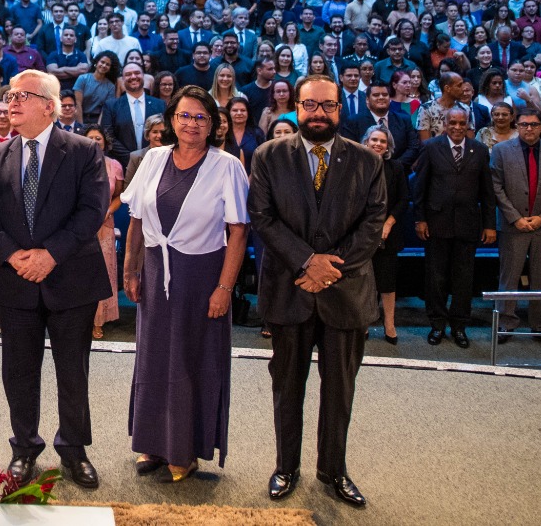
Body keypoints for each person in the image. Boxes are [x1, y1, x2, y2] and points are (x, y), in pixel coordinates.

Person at [248, 74, 386, 509]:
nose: (319, 113)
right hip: (290, 290)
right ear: (297, 108)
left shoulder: (367, 161)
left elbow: (372, 224)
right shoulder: (269, 156)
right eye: (310, 106)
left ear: (340, 110)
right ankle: (285, 467)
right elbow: (263, 218)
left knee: (340, 390)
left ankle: (334, 470)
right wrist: (309, 263)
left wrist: (328, 269)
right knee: (287, 388)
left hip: (346, 294)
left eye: (328, 106)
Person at [0, 65, 110, 490]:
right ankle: (24, 449)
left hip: (70, 279)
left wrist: (50, 256)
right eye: (10, 96)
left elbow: (92, 212)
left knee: (73, 371)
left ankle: (74, 449)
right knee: (18, 371)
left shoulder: (84, 151)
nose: (10, 103)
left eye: (21, 96)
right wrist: (15, 256)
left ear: (49, 108)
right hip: (16, 281)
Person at [121, 85, 250, 482]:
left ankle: (186, 450)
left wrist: (224, 288)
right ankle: (153, 443)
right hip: (157, 273)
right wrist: (130, 269)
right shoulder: (153, 158)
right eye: (184, 116)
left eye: (201, 117)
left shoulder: (227, 165)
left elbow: (239, 231)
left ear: (213, 125)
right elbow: (137, 220)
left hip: (202, 277)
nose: (192, 123)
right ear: (171, 120)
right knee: (154, 357)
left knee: (193, 362)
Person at [488, 106, 541, 349]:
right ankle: (505, 323)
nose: (529, 129)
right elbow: (496, 187)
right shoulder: (502, 151)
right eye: (524, 124)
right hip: (513, 225)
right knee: (509, 276)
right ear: (517, 126)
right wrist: (515, 217)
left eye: (534, 124)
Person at [412, 107, 495, 348]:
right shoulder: (431, 147)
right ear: (445, 124)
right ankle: (437, 324)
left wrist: (490, 225)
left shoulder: (479, 150)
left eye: (462, 123)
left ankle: (459, 326)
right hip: (436, 223)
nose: (457, 127)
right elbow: (420, 188)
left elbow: (487, 192)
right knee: (436, 277)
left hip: (468, 224)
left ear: (468, 124)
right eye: (453, 123)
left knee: (463, 278)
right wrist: (420, 219)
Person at [359, 125, 409, 344]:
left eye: (383, 141)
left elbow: (403, 200)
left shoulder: (396, 167)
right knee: (363, 283)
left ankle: (389, 324)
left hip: (389, 233)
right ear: (366, 142)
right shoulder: (356, 165)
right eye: (374, 140)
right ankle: (363, 324)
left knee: (387, 283)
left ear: (388, 146)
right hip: (361, 234)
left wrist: (388, 223)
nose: (378, 144)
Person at [85, 124, 124, 340]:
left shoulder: (115, 166)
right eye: (90, 138)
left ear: (105, 142)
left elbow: (119, 195)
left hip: (105, 224)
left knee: (103, 272)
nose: (95, 141)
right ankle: (81, 318)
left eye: (98, 138)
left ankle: (98, 321)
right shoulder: (76, 162)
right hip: (81, 226)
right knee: (83, 272)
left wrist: (108, 211)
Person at [100, 62, 165, 164]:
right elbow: (108, 136)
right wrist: (132, 159)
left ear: (144, 76)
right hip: (123, 165)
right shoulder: (111, 106)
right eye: (128, 74)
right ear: (122, 79)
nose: (133, 76)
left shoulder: (160, 105)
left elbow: (165, 133)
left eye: (137, 73)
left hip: (155, 162)